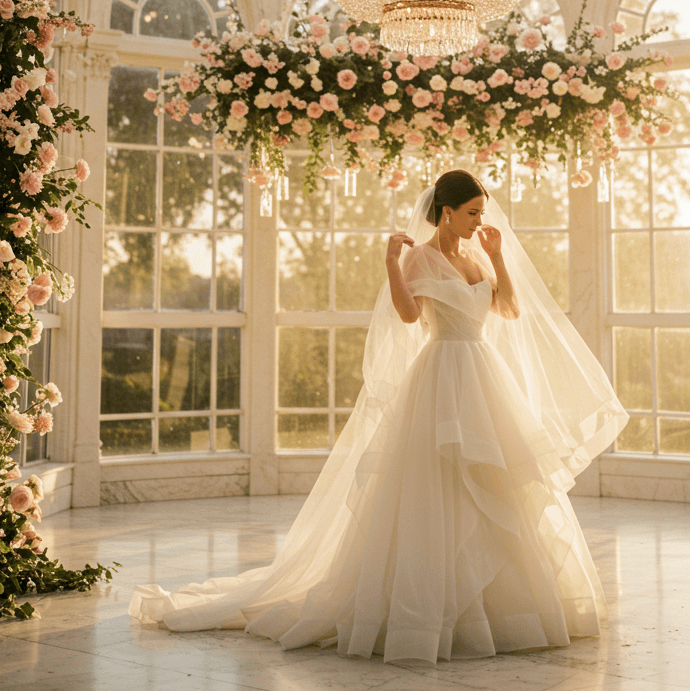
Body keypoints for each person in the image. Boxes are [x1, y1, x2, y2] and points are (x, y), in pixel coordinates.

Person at [129, 169, 627, 665]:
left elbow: (511, 310)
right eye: (473, 212)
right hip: (441, 374)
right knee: (434, 488)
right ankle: (427, 614)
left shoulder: (479, 254)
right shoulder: (420, 257)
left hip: (483, 375)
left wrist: (497, 257)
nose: (481, 220)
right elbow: (410, 317)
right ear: (446, 212)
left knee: (499, 483)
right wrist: (392, 263)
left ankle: (507, 609)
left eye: (482, 212)